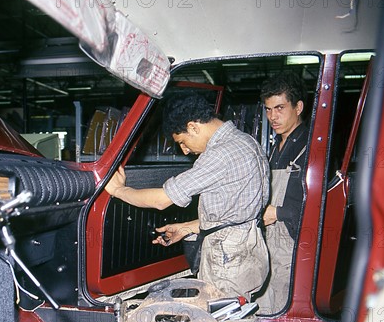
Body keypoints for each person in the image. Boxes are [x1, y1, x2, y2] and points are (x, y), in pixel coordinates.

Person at [105, 91, 269, 301]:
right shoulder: (246, 142)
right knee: (237, 310)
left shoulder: (219, 154)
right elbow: (237, 211)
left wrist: (119, 190)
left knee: (219, 320)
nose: (184, 150)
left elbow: (162, 200)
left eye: (182, 141)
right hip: (249, 247)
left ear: (193, 127)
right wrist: (187, 227)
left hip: (228, 258)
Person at [255, 72, 309, 314]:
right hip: (269, 240)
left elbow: (323, 205)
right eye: (268, 109)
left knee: (281, 306)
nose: (272, 117)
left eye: (279, 108)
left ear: (298, 107)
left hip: (292, 243)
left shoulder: (312, 147)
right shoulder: (276, 147)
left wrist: (278, 212)